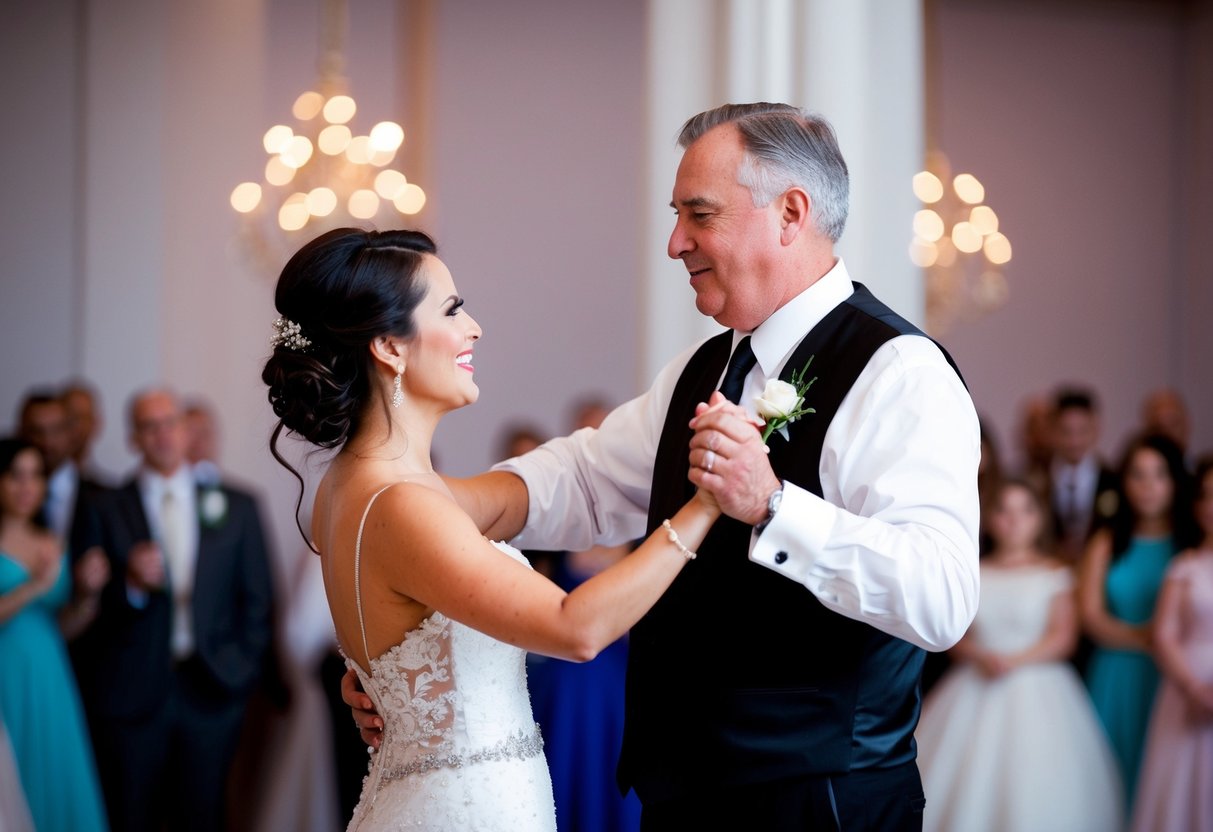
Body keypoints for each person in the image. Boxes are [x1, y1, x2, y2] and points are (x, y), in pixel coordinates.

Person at [347, 103, 980, 830]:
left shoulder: (898, 372)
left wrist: (773, 506)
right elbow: (582, 481)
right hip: (678, 794)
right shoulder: (702, 368)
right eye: (677, 216)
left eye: (698, 215)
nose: (675, 242)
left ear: (790, 214)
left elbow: (941, 598)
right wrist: (402, 519)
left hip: (821, 800)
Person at [261, 227, 723, 831]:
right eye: (452, 310)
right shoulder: (402, 503)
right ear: (390, 347)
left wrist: (389, 684)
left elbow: (496, 513)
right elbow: (577, 629)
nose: (474, 328)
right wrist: (706, 503)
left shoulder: (350, 486)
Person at [73, 389, 274, 832]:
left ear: (186, 430)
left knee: (204, 817)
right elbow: (87, 607)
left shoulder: (237, 505)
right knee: (130, 816)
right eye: (150, 426)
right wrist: (130, 583)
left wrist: (239, 673)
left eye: (170, 423)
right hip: (130, 696)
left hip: (212, 692)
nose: (162, 435)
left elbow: (258, 600)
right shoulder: (103, 506)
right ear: (133, 438)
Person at [915, 480, 1122, 832]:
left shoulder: (1055, 573)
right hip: (975, 678)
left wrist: (1014, 661)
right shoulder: (972, 570)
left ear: (1039, 518)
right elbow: (953, 635)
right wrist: (981, 656)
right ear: (989, 518)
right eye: (1004, 510)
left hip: (1039, 683)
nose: (1014, 520)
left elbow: (1063, 637)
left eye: (1025, 510)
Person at [0, 438, 109, 832]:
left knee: (54, 770)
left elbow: (63, 627)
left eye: (36, 476)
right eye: (16, 475)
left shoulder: (52, 542)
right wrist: (34, 585)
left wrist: (88, 596)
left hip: (50, 674)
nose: (26, 486)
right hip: (6, 672)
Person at [1079, 433, 1193, 810]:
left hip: (1175, 673)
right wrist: (1145, 637)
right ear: (1123, 482)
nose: (1148, 486)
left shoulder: (1192, 544)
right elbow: (1090, 615)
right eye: (1137, 475)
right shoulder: (1107, 541)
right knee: (1111, 773)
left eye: (1159, 474)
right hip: (1115, 671)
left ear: (1175, 481)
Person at [1130, 455, 1213, 832]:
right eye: (1206, 495)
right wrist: (1195, 689)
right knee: (1181, 796)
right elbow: (1164, 635)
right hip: (1186, 688)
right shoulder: (1184, 566)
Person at [1046, 387, 1119, 563]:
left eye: (1082, 431)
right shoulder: (1039, 478)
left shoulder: (1113, 479)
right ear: (1052, 431)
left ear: (1096, 429)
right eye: (1066, 432)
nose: (1074, 441)